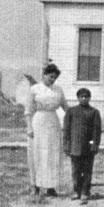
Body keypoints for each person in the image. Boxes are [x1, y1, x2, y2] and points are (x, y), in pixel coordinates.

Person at [25, 63, 69, 197]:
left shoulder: (58, 90)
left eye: (55, 77)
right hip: (38, 122)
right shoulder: (34, 89)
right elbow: (28, 110)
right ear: (44, 75)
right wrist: (29, 127)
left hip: (53, 123)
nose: (52, 79)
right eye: (50, 76)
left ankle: (51, 187)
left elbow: (66, 107)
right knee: (37, 153)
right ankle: (35, 185)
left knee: (52, 154)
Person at [63, 88, 101, 205]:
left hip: (88, 147)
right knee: (76, 171)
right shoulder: (71, 111)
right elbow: (67, 130)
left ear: (89, 98)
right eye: (81, 96)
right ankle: (76, 191)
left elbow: (96, 130)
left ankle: (85, 191)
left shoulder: (94, 112)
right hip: (75, 146)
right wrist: (66, 145)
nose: (84, 98)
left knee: (87, 170)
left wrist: (94, 144)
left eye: (86, 96)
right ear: (78, 98)